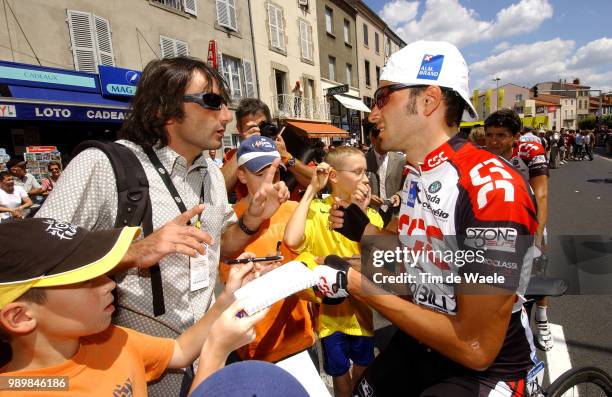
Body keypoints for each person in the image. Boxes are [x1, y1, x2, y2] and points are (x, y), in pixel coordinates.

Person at [37, 56, 289, 396]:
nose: (227, 117)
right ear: (162, 109)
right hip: (138, 368)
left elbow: (220, 247)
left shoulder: (213, 174)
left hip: (208, 349)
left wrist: (251, 220)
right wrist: (133, 253)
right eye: (212, 102)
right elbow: (36, 266)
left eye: (226, 105)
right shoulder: (104, 166)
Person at [324, 40, 539, 397]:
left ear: (428, 100)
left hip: (486, 364)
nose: (372, 114)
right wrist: (352, 244)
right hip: (426, 336)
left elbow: (476, 346)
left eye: (382, 98)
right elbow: (406, 257)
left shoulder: (493, 191)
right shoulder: (417, 174)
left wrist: (362, 288)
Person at [0, 218, 267, 396]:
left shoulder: (109, 339)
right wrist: (215, 354)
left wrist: (227, 297)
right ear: (20, 316)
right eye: (87, 278)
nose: (109, 284)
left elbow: (180, 350)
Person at [218, 135, 329, 396]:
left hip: (302, 339)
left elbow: (316, 263)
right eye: (260, 171)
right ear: (242, 175)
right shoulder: (228, 222)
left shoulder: (294, 209)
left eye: (274, 169)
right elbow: (230, 290)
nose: (271, 177)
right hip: (255, 349)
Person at [284, 145, 383, 397]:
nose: (365, 178)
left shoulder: (373, 217)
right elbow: (292, 240)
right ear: (335, 176)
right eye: (358, 172)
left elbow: (379, 264)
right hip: (329, 318)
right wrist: (311, 189)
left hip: (364, 315)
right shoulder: (317, 210)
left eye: (366, 172)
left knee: (364, 372)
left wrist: (360, 214)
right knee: (339, 373)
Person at [484, 109, 552, 351]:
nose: (493, 141)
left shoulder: (530, 151)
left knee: (539, 278)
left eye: (501, 135)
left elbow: (541, 195)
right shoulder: (483, 154)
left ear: (516, 137)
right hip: (501, 227)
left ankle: (542, 321)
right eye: (489, 134)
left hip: (530, 221)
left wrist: (536, 241)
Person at [221, 98, 314, 201]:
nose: (258, 131)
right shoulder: (234, 156)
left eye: (262, 126)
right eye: (252, 127)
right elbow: (218, 191)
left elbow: (317, 182)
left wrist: (286, 157)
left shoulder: (287, 147)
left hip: (290, 214)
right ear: (239, 129)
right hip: (253, 215)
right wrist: (244, 148)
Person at [366, 129, 404, 225]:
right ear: (373, 139)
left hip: (394, 214)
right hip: (370, 213)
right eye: (383, 140)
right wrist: (367, 197)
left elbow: (407, 185)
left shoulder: (401, 160)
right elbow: (354, 186)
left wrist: (399, 195)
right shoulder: (363, 160)